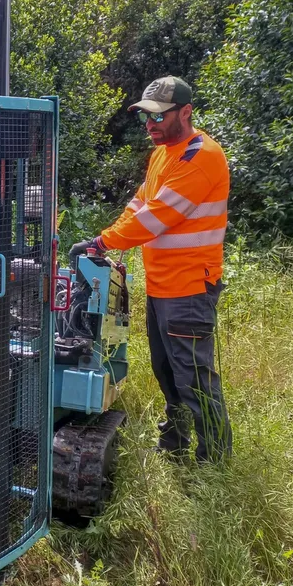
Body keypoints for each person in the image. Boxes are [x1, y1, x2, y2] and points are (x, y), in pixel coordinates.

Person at [69, 76, 232, 463]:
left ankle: (215, 461)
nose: (150, 125)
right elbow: (140, 203)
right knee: (166, 370)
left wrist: (102, 243)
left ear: (186, 112)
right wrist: (105, 237)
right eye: (146, 117)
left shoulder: (201, 157)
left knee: (194, 376)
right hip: (162, 286)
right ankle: (175, 443)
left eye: (158, 117)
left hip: (190, 288)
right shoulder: (163, 153)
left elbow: (157, 217)